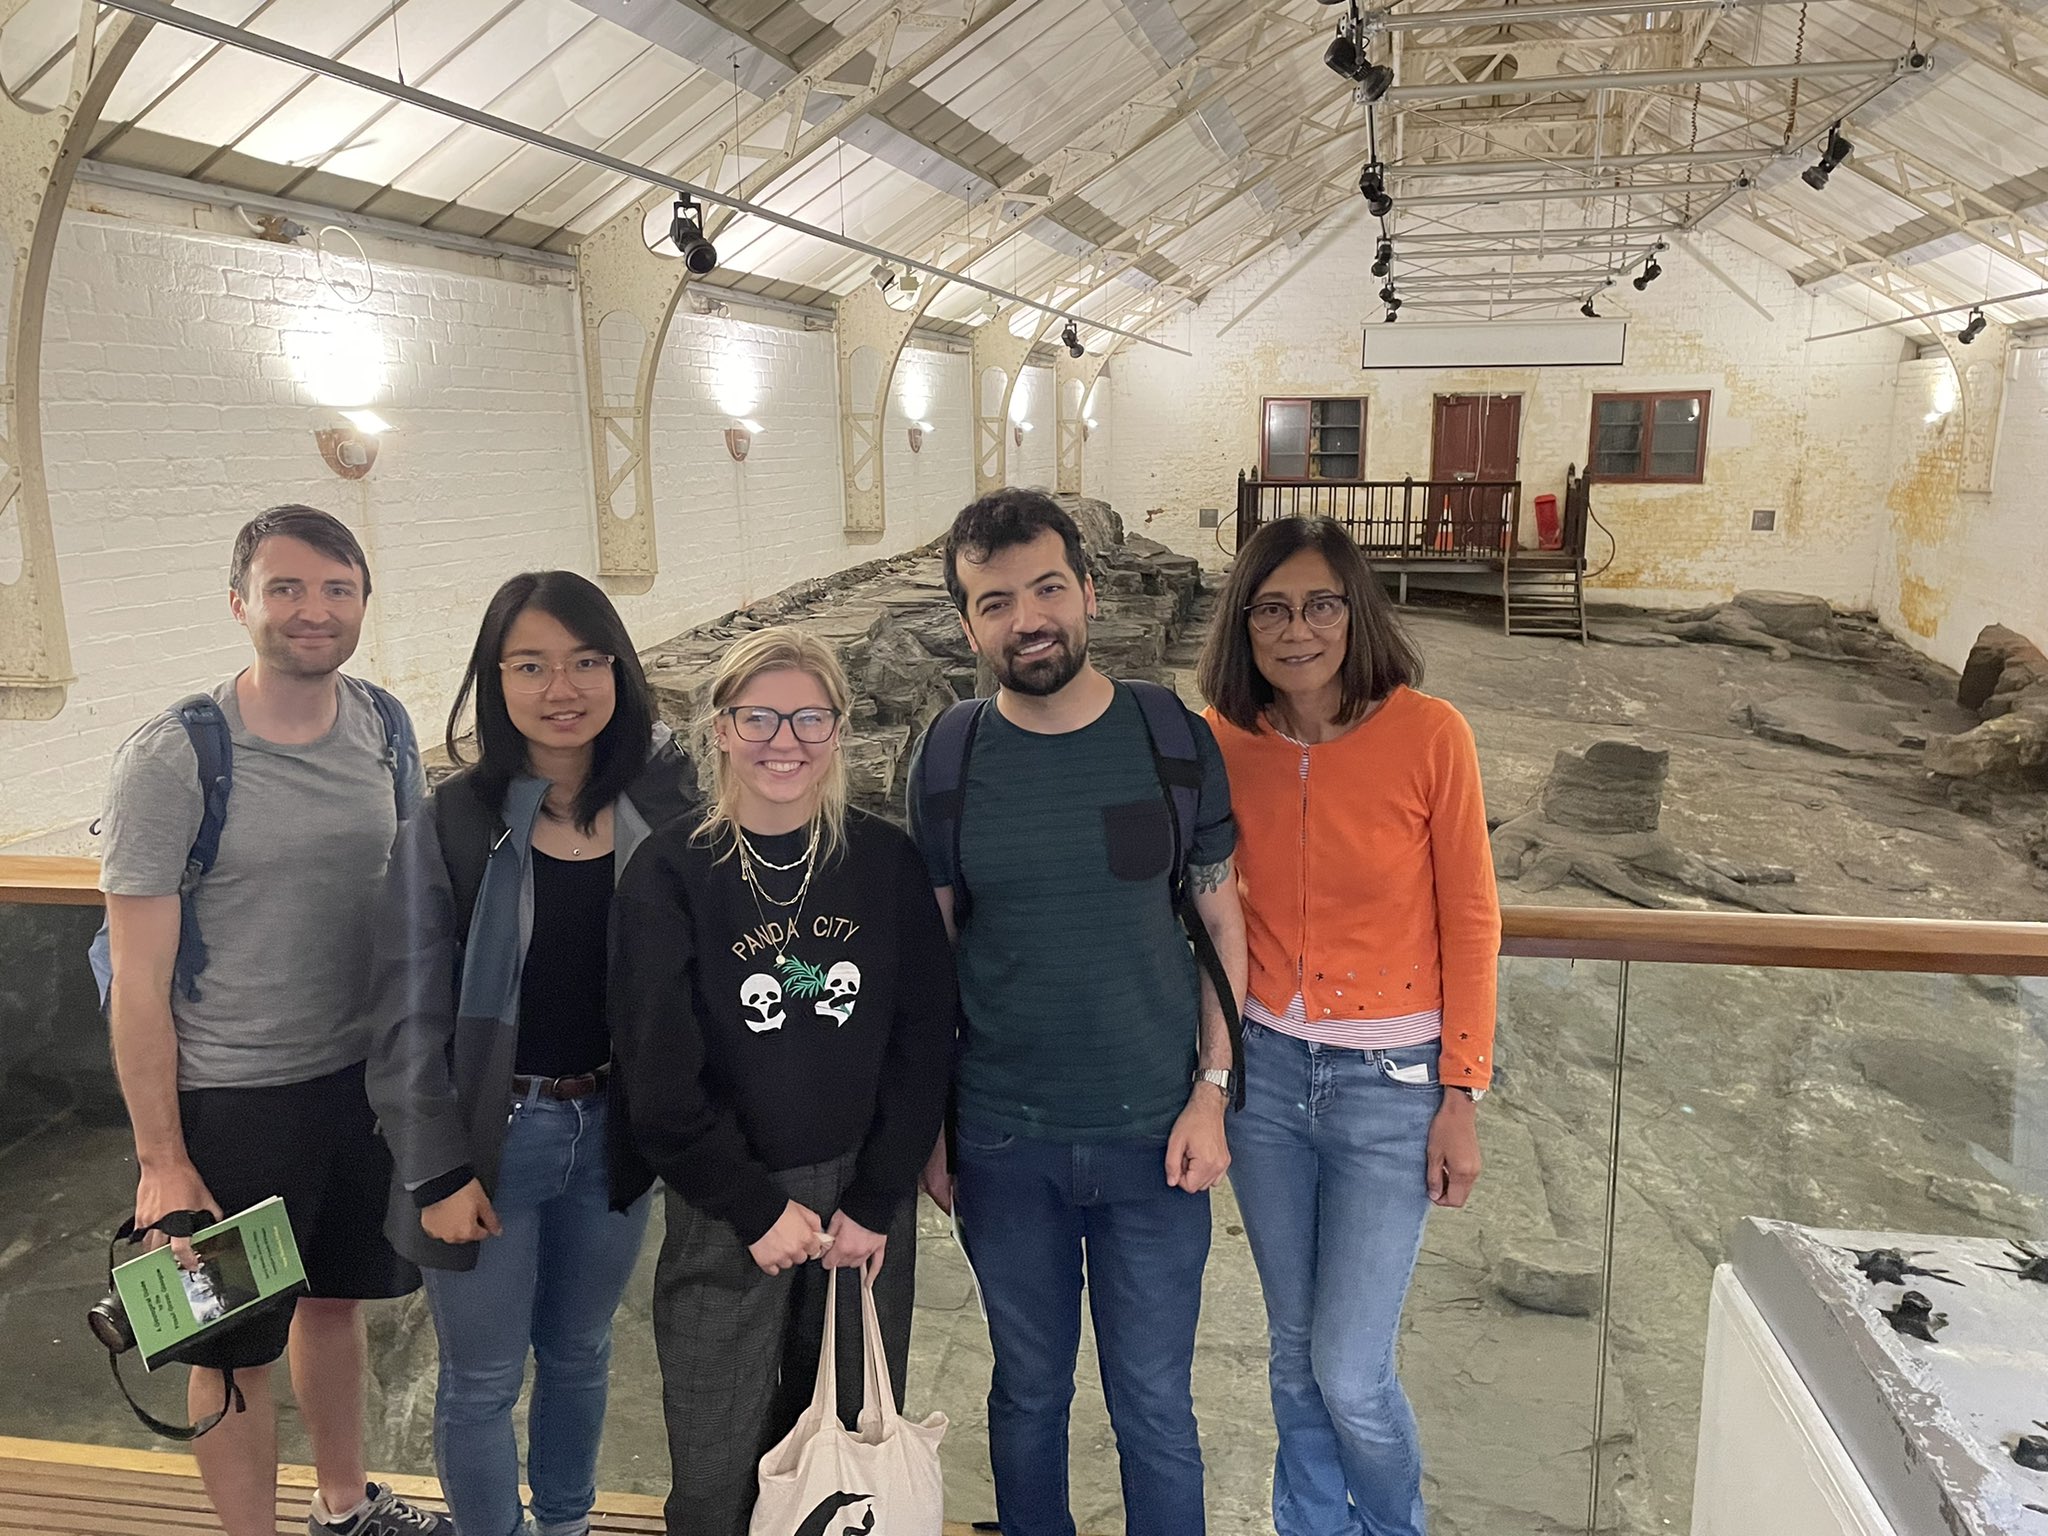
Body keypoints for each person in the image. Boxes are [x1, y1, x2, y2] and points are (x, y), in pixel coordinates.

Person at [98, 505, 447, 1536]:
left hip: (357, 1084)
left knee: (333, 1303)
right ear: (240, 600)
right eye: (286, 588)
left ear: (362, 605)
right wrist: (162, 1159)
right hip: (234, 1103)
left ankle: (343, 1507)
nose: (313, 610)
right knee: (232, 1343)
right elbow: (137, 975)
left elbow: (416, 897)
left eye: (337, 590)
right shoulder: (175, 757)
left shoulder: (383, 726)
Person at [905, 488, 1247, 1536]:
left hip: (1155, 1137)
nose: (1028, 618)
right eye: (995, 602)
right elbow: (932, 956)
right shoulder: (950, 757)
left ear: (1089, 594)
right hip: (1005, 1143)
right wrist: (930, 1125)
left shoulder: (1167, 738)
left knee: (1153, 1404)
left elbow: (1223, 931)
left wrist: (1212, 1092)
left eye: (1047, 587)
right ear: (969, 627)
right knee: (1027, 1394)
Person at [609, 625, 956, 1536]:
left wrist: (880, 1196)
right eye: (757, 716)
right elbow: (657, 1073)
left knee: (843, 1445)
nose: (784, 740)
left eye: (809, 717)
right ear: (718, 729)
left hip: (859, 1196)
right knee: (718, 1454)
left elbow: (923, 1041)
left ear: (839, 730)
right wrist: (750, 1205)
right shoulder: (671, 872)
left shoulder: (884, 863)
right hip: (729, 1201)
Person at [367, 571, 692, 1536]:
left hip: (614, 1132)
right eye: (531, 664)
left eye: (588, 660)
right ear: (494, 679)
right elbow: (402, 1014)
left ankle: (566, 1524)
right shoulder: (456, 820)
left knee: (584, 1354)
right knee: (482, 1378)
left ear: (620, 671)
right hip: (491, 1136)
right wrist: (436, 1169)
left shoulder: (665, 804)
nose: (563, 686)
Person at [1196, 515, 1500, 1536]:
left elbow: (1469, 913)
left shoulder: (1428, 734)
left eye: (1318, 604)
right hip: (1265, 1081)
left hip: (1392, 1086)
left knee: (1348, 1367)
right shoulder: (1218, 741)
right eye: (1271, 608)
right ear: (1243, 625)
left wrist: (1461, 1091)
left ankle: (1389, 1526)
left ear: (1352, 611)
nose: (1296, 629)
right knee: (1289, 1350)